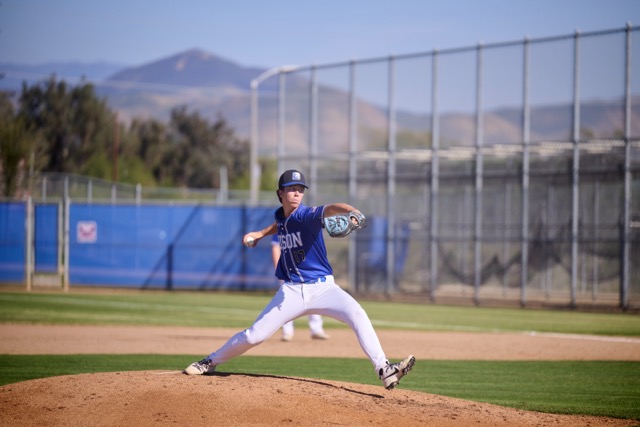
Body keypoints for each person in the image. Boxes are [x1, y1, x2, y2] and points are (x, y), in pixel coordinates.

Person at [184, 169, 415, 390]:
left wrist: (352, 211)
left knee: (357, 314)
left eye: (300, 189)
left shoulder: (306, 214)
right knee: (255, 336)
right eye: (291, 188)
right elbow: (281, 225)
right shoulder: (282, 217)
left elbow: (330, 208)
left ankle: (384, 370)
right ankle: (209, 362)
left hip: (324, 289)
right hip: (291, 292)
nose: (296, 193)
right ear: (280, 193)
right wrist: (260, 234)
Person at [271, 233, 330, 341]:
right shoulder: (282, 225)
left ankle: (316, 329)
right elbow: (276, 247)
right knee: (286, 302)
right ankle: (287, 331)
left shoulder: (305, 223)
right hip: (289, 271)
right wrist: (278, 269)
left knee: (314, 298)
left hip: (307, 270)